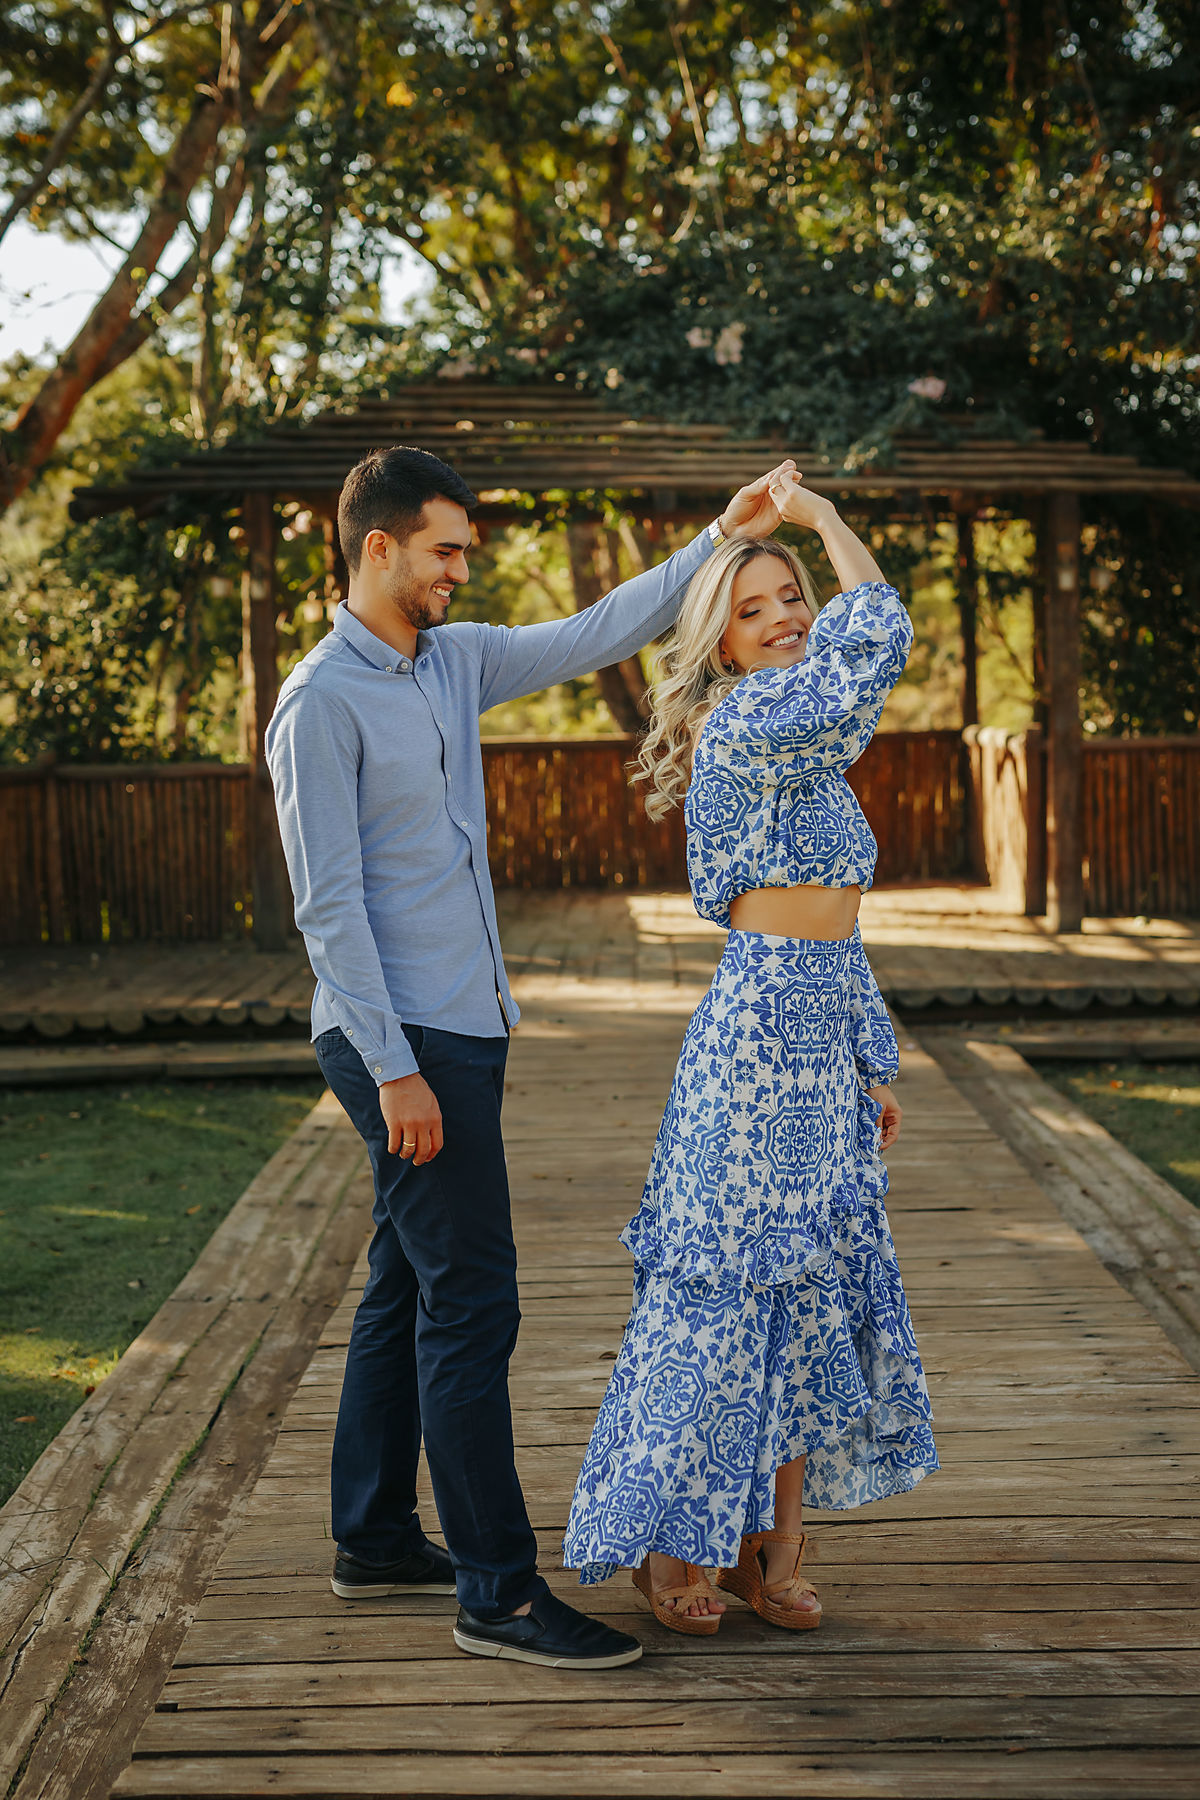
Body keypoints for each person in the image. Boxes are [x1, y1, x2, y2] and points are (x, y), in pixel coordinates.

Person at [265, 443, 796, 1669]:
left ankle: (373, 1537)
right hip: (401, 1043)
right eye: (445, 549)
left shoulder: (452, 660)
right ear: (378, 547)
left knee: (406, 1281)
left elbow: (603, 625)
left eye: (466, 550)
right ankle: (498, 1594)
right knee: (474, 1303)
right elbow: (329, 912)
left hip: (467, 1025)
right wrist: (395, 1069)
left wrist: (722, 537)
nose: (463, 568)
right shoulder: (319, 702)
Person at [563, 470, 939, 1632]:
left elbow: (841, 925)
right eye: (757, 605)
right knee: (732, 1296)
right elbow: (877, 644)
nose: (787, 615)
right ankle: (673, 1547)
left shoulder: (812, 751)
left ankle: (775, 1550)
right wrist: (823, 522)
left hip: (820, 1036)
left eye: (794, 597)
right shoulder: (750, 724)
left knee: (811, 1294)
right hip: (752, 1051)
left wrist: (872, 1059)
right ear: (720, 645)